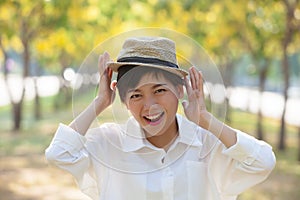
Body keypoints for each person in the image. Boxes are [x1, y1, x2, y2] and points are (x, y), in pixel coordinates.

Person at [45, 37, 276, 200]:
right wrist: (100, 102)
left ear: (180, 90)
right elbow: (59, 153)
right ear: (123, 101)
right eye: (136, 95)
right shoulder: (108, 143)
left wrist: (206, 119)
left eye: (160, 90)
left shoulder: (207, 142)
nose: (150, 106)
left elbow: (263, 162)